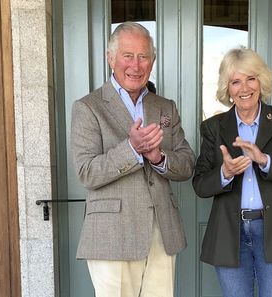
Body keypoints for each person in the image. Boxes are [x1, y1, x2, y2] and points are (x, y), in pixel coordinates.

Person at [71, 22, 195, 297]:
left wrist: (159, 157)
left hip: (162, 233)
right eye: (128, 55)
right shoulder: (88, 107)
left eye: (143, 57)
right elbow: (86, 171)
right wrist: (132, 149)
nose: (136, 65)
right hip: (112, 235)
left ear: (152, 61)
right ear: (110, 58)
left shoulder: (165, 107)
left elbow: (187, 163)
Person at [192, 47, 272, 297]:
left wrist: (265, 160)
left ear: (261, 81)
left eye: (251, 78)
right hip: (229, 233)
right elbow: (200, 184)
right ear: (228, 88)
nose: (244, 88)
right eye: (236, 81)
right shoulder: (213, 127)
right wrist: (224, 172)